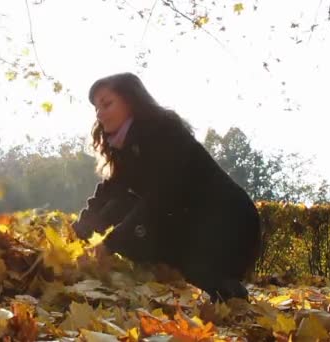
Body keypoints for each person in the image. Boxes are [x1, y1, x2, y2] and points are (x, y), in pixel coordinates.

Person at [72, 72, 263, 302]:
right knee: (120, 209)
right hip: (193, 219)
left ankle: (229, 292)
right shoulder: (125, 147)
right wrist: (81, 230)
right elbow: (111, 192)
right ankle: (215, 287)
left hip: (229, 223)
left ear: (131, 101)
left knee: (150, 240)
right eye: (96, 109)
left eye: (107, 104)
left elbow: (160, 197)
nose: (100, 114)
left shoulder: (163, 131)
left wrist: (110, 243)